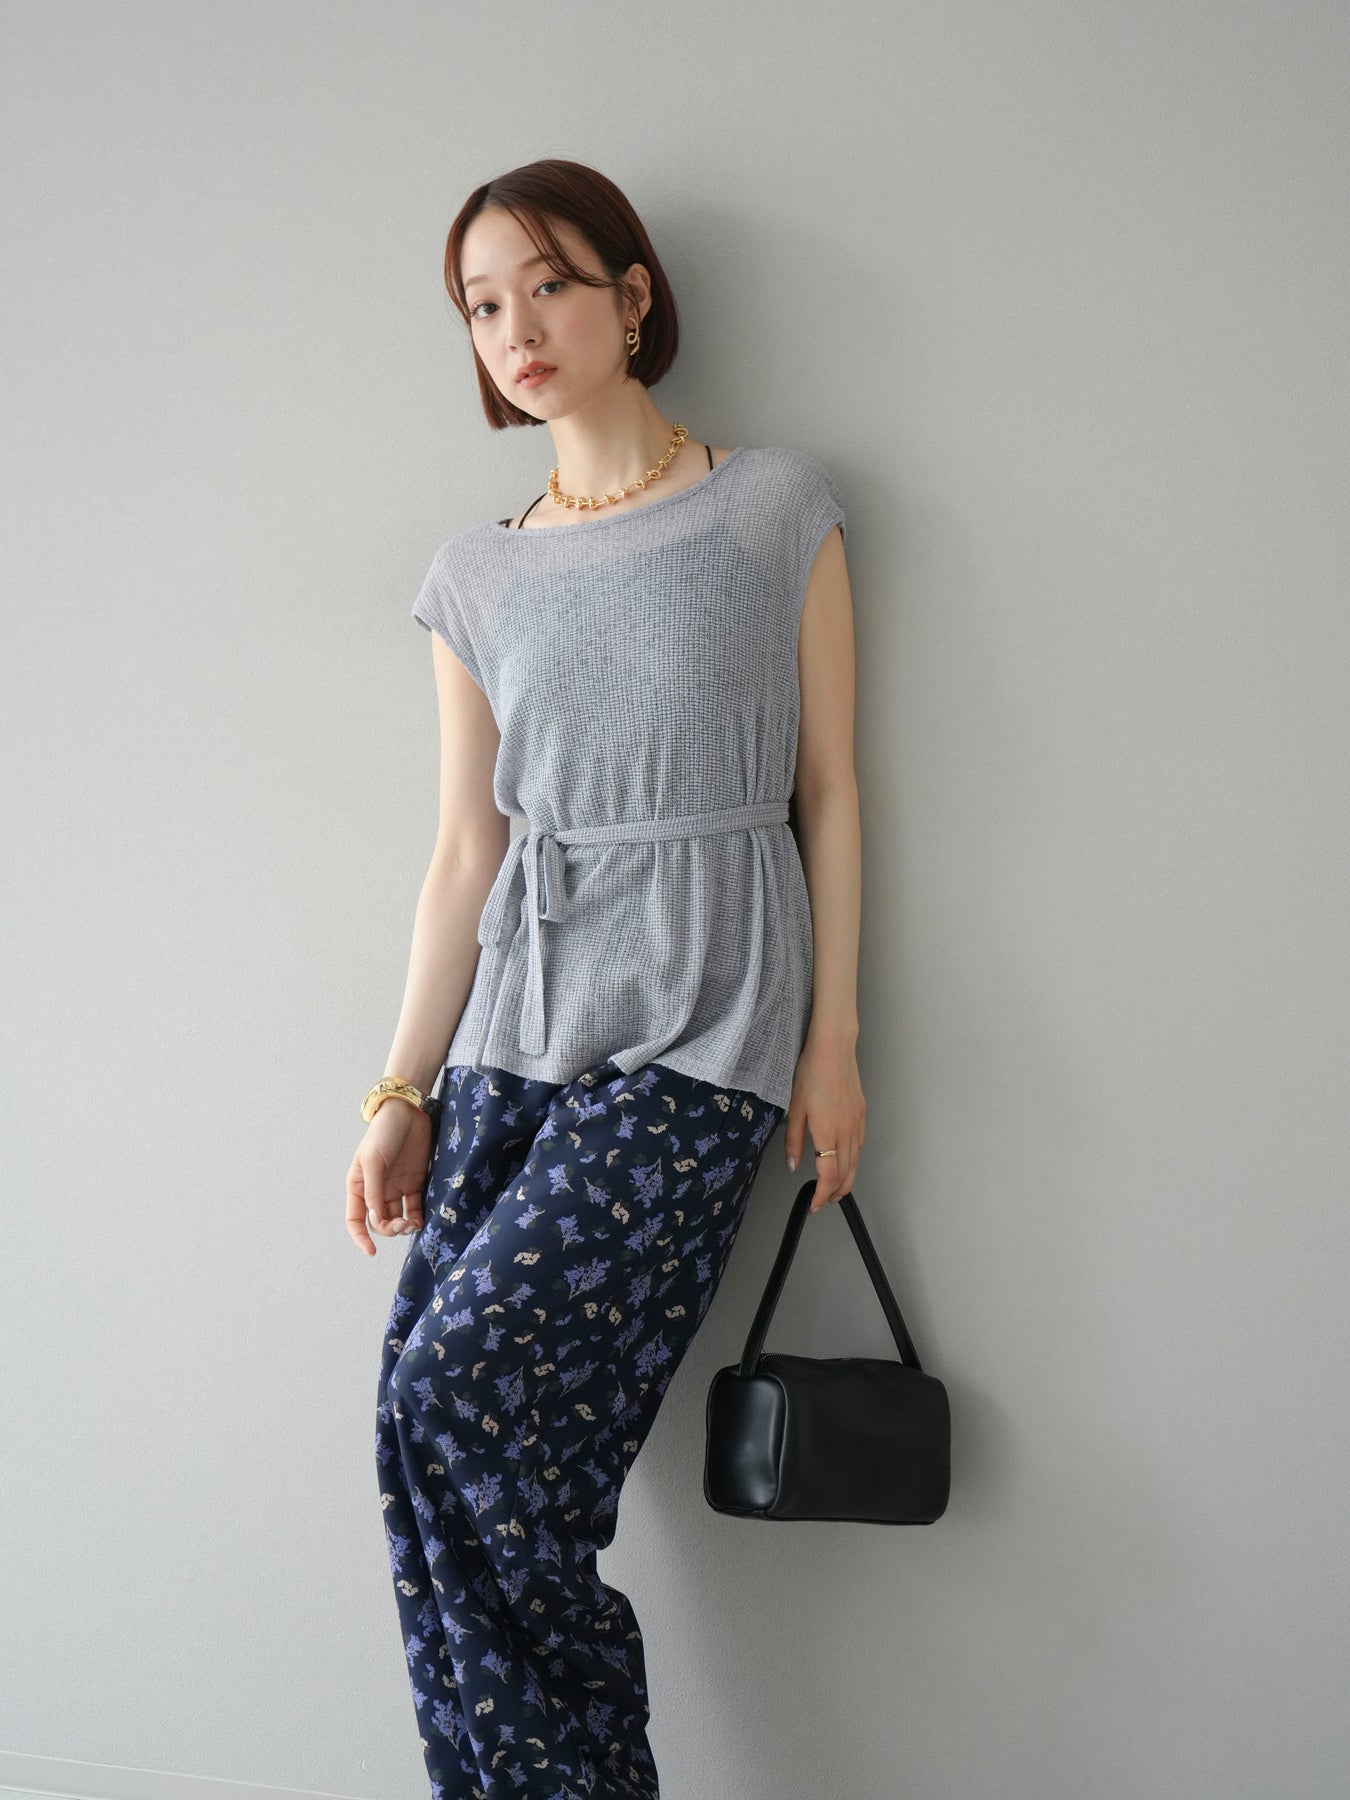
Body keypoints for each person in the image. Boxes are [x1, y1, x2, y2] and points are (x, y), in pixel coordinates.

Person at [348, 157, 866, 1800]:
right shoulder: (474, 574)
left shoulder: (770, 507)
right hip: (515, 1031)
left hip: (705, 1027)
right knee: (424, 1434)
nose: (516, 328)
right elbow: (463, 853)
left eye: (550, 286)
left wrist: (833, 1042)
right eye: (481, 306)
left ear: (633, 296)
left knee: (459, 1394)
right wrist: (399, 1088)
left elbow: (830, 791)